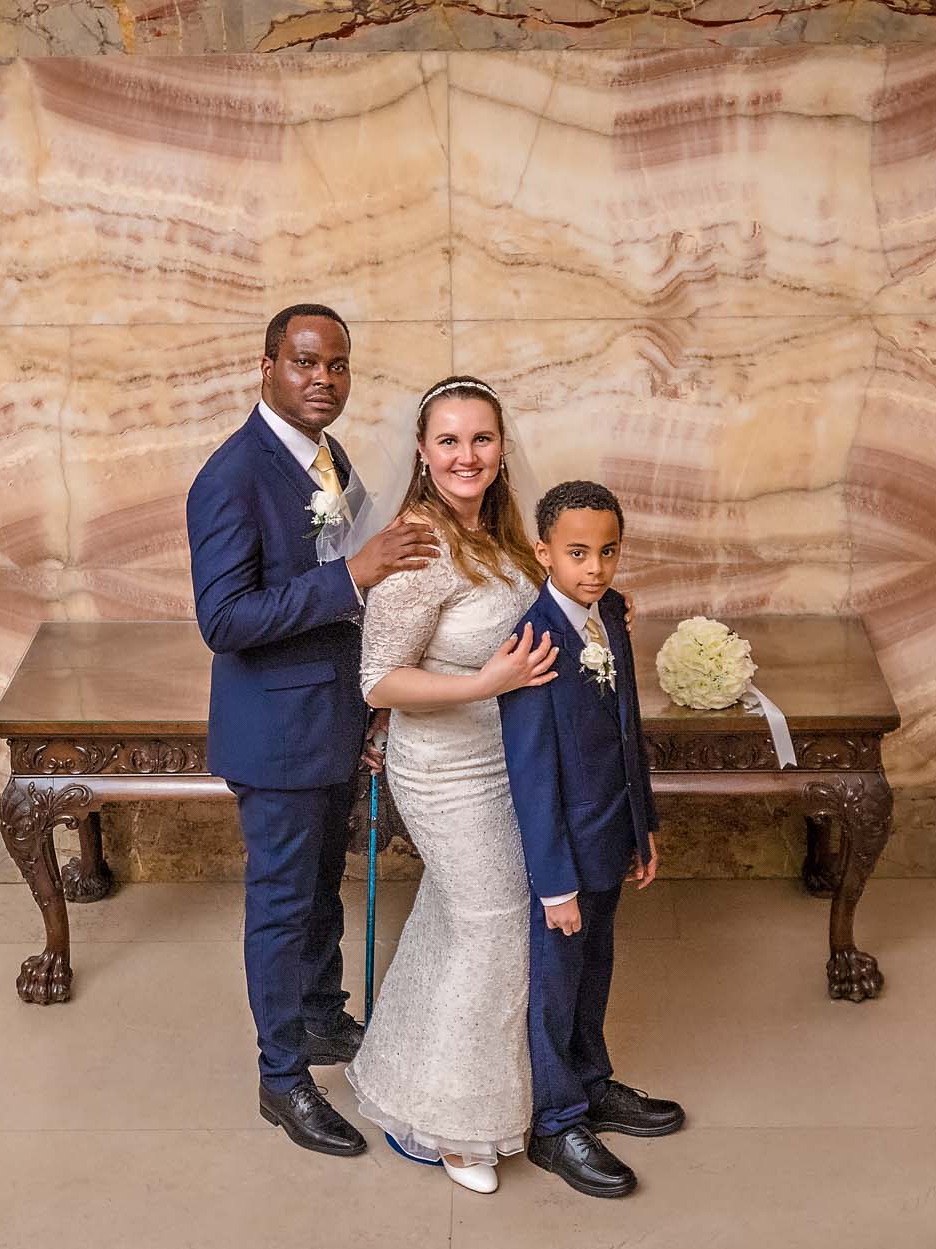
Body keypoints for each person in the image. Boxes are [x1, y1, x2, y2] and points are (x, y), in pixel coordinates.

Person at [185, 304, 440, 1158]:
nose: (322, 379)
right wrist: (354, 577)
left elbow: (344, 594)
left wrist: (371, 699)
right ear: (266, 367)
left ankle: (323, 1019)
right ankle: (282, 1074)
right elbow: (225, 618)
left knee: (324, 888)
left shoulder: (325, 458)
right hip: (276, 734)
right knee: (283, 903)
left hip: (332, 717)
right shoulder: (231, 477)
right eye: (304, 363)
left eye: (336, 365)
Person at [344, 376, 558, 1194]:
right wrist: (482, 685)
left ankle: (409, 1083)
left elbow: (529, 633)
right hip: (443, 766)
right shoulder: (418, 545)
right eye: (450, 441)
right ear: (424, 455)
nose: (467, 455)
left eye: (482, 439)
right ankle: (455, 1123)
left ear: (501, 450)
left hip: (506, 757)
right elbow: (378, 681)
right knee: (496, 924)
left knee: (456, 920)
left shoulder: (499, 538)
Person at [498, 481, 686, 1199]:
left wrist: (645, 827)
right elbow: (533, 775)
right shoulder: (532, 641)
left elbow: (626, 730)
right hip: (564, 855)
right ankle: (556, 1118)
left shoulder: (611, 613)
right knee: (555, 980)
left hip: (612, 833)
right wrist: (554, 882)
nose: (595, 567)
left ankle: (592, 1079)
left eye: (608, 551)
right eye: (577, 553)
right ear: (544, 551)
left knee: (597, 965)